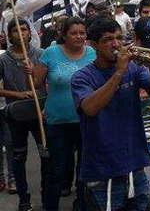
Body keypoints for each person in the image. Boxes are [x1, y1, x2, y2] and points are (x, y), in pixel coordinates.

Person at [71, 17, 150, 210]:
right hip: (102, 169)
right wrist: (118, 73)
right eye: (107, 40)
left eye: (118, 38)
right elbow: (90, 108)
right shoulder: (82, 77)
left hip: (134, 164)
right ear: (93, 45)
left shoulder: (133, 68)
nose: (115, 44)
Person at [33, 17, 96, 211]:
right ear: (64, 35)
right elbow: (36, 84)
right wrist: (31, 71)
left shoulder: (92, 53)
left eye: (82, 33)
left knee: (85, 170)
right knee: (56, 171)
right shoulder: (50, 53)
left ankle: (82, 205)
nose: (79, 37)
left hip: (86, 121)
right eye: (74, 33)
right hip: (57, 123)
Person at [0, 19, 48, 211]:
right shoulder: (4, 60)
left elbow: (47, 81)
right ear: (9, 35)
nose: (20, 33)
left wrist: (34, 76)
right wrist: (18, 95)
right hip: (15, 115)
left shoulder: (41, 55)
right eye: (15, 30)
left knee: (46, 155)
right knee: (18, 157)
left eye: (24, 29)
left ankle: (47, 194)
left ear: (30, 32)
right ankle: (24, 198)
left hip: (39, 113)